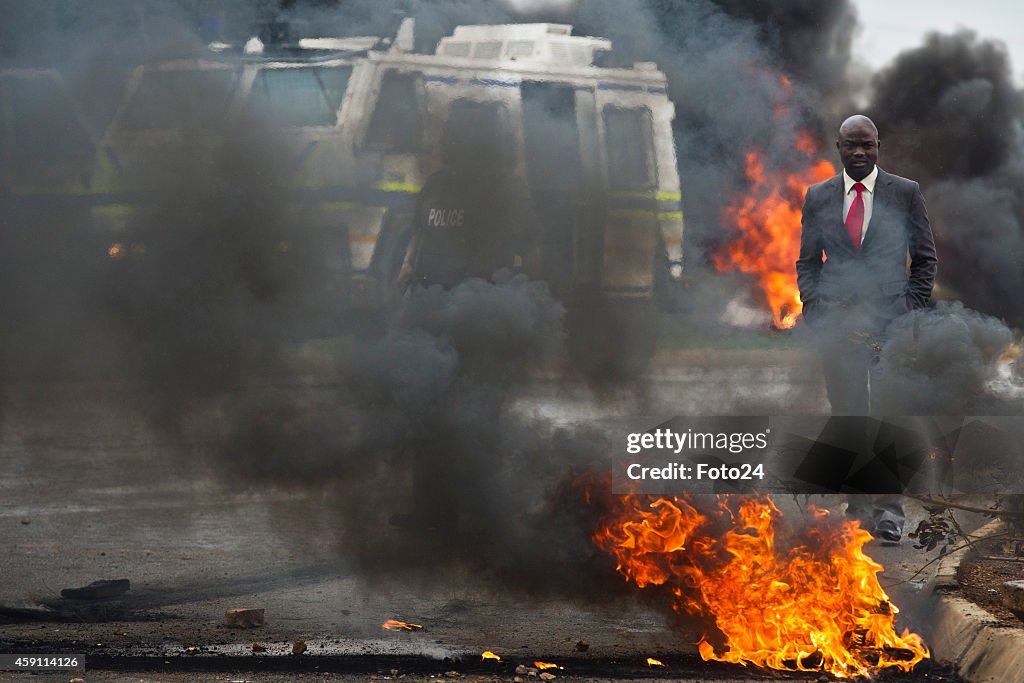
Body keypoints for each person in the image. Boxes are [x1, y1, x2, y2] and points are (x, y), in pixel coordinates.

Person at [390, 100, 540, 535]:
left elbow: (531, 250)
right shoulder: (437, 184)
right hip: (431, 315)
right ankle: (431, 513)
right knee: (428, 412)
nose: (446, 140)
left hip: (480, 322)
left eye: (456, 132)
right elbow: (419, 234)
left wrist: (522, 307)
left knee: (477, 418)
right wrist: (406, 271)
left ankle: (480, 515)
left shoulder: (505, 188)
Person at [796, 114, 938, 541]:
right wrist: (814, 307)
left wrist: (910, 306)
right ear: (837, 148)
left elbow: (925, 259)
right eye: (850, 145)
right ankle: (856, 509)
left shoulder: (906, 192)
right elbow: (807, 261)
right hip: (838, 326)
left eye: (867, 145)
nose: (859, 153)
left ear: (879, 146)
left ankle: (891, 511)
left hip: (892, 325)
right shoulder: (818, 195)